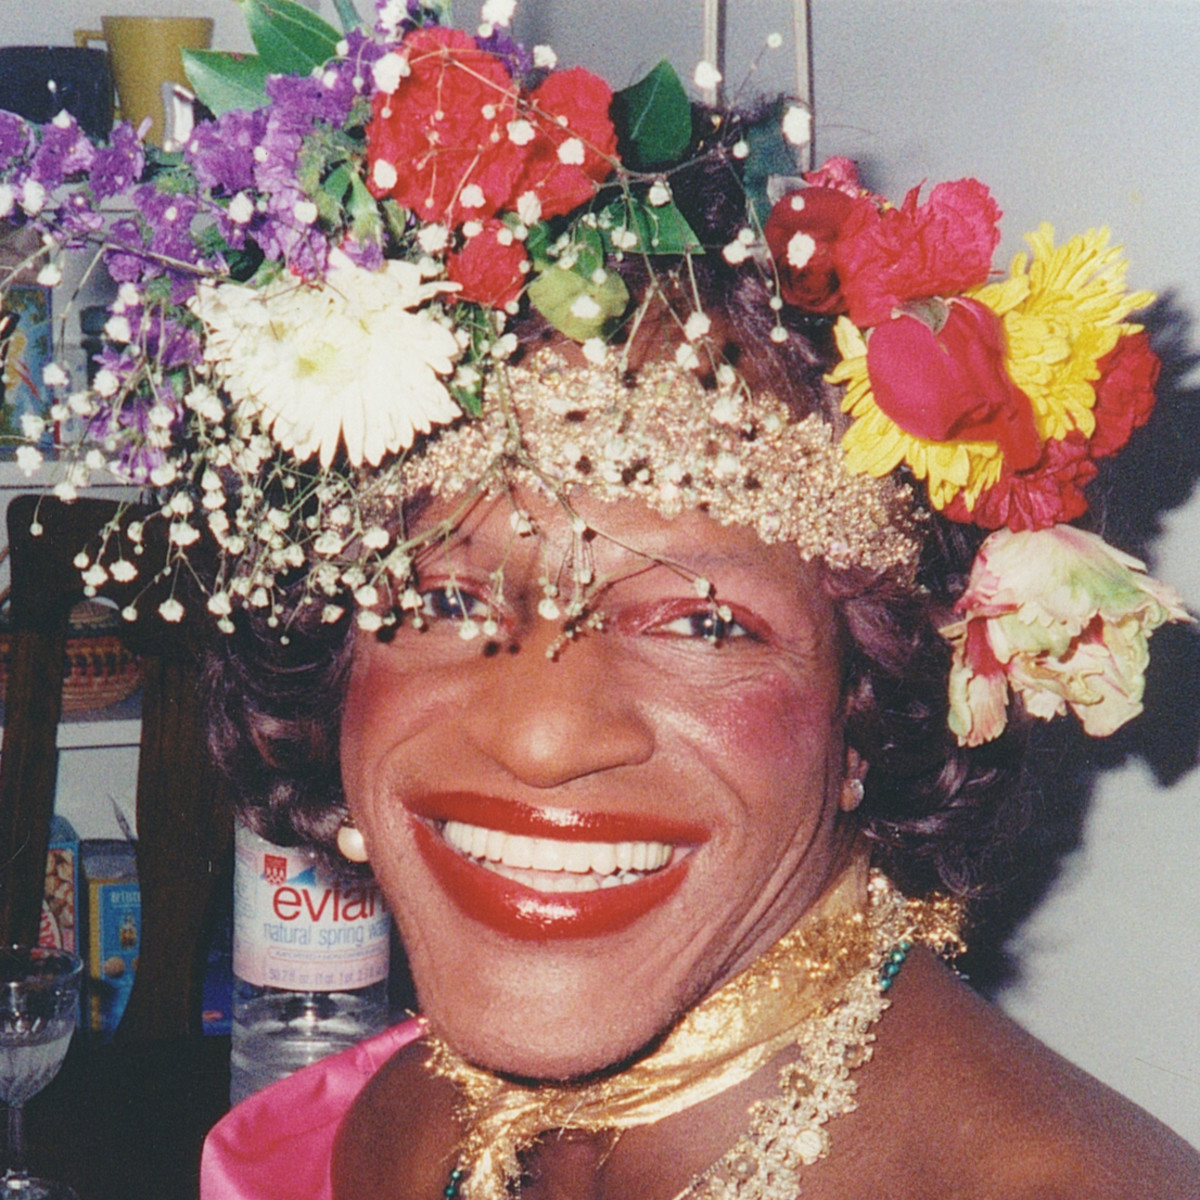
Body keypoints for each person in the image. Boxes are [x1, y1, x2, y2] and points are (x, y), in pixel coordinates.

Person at [1, 3, 1198, 1197]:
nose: (540, 732)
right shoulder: (398, 1131)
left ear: (868, 711)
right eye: (441, 599)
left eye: (702, 623)